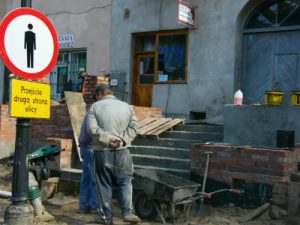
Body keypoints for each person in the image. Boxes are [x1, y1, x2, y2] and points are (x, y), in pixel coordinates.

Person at [86, 84, 141, 225]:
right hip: (123, 151)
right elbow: (134, 127)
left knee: (104, 184)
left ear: (99, 94)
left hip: (102, 152)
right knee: (125, 181)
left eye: (95, 96)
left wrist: (109, 140)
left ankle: (106, 217)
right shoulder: (127, 106)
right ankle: (128, 212)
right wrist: (121, 140)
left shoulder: (95, 107)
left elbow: (92, 129)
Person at [78, 110, 100, 213]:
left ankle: (83, 206)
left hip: (84, 147)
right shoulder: (98, 112)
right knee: (94, 179)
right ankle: (95, 207)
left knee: (85, 179)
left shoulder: (89, 112)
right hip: (91, 148)